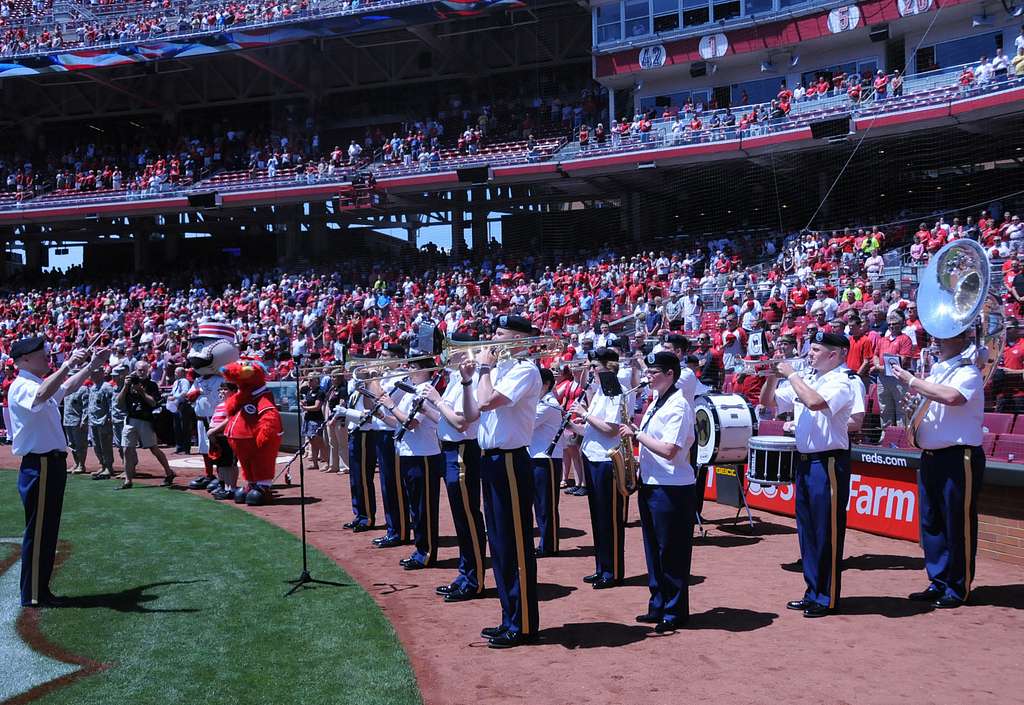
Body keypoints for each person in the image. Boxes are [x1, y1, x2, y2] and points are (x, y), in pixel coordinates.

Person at [759, 331, 861, 618]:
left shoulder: (843, 380)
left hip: (828, 462)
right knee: (807, 532)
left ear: (835, 354)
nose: (809, 354)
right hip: (806, 462)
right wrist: (771, 374)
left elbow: (815, 402)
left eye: (816, 349)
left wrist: (791, 374)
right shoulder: (811, 378)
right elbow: (769, 403)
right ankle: (812, 591)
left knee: (825, 531)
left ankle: (826, 597)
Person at [8, 336, 109, 607]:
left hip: (51, 464)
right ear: (24, 359)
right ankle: (33, 594)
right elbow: (44, 394)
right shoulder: (22, 386)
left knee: (47, 531)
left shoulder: (38, 383)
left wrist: (90, 366)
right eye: (41, 353)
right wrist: (67, 366)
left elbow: (65, 387)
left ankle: (40, 590)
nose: (47, 356)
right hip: (39, 464)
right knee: (39, 532)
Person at [891, 329, 984, 608]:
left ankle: (958, 587)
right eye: (935, 338)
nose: (936, 342)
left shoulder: (968, 372)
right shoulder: (934, 374)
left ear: (962, 341)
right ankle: (939, 580)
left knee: (957, 523)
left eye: (944, 338)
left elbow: (952, 397)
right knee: (931, 523)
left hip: (958, 456)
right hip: (931, 456)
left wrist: (912, 381)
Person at [466, 315, 543, 649]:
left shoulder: (525, 370)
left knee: (515, 544)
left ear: (519, 340)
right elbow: (472, 413)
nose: (492, 340)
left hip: (511, 461)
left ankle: (523, 623)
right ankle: (509, 616)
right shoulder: (497, 371)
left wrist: (482, 372)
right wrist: (469, 380)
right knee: (498, 543)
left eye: (500, 335)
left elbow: (487, 403)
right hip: (490, 460)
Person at [619, 351, 695, 632]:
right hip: (652, 483)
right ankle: (658, 605)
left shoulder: (678, 405)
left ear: (670, 374)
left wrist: (636, 434)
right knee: (653, 550)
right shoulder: (655, 402)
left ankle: (674, 612)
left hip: (672, 487)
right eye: (648, 372)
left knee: (672, 553)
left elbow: (669, 450)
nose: (648, 376)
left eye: (654, 372)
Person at [421, 335, 487, 602]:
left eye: (453, 350)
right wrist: (429, 410)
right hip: (451, 450)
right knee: (460, 518)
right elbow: (448, 420)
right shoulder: (454, 380)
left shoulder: (464, 381)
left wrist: (436, 401)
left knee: (468, 517)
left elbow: (461, 423)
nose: (447, 355)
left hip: (462, 452)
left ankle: (474, 579)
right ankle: (466, 573)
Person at [380, 357, 443, 571]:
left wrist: (390, 405)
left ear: (427, 370)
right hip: (411, 452)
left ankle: (426, 552)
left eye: (414, 367)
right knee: (415, 506)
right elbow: (401, 422)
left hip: (423, 454)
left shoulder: (424, 390)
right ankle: (420, 549)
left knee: (423, 507)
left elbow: (412, 422)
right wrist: (384, 410)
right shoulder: (413, 389)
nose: (409, 370)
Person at [572, 347, 626, 590]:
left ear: (608, 367)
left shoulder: (615, 392)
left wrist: (585, 414)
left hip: (606, 461)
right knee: (597, 517)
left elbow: (611, 429)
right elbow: (595, 430)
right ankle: (601, 567)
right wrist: (575, 427)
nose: (591, 370)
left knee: (609, 519)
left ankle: (612, 570)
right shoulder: (600, 393)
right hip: (592, 457)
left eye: (594, 366)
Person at [118, 360, 175, 490]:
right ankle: (128, 480)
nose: (142, 372)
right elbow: (119, 402)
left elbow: (153, 403)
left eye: (144, 370)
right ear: (135, 370)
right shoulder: (129, 383)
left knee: (153, 448)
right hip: (130, 420)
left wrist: (141, 392)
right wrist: (126, 386)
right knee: (127, 449)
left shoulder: (151, 385)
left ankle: (168, 472)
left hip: (145, 420)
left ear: (148, 370)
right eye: (139, 370)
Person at [529, 368, 569, 558]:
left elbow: (527, 422)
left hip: (547, 459)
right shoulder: (539, 402)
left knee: (546, 505)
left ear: (545, 384)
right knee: (537, 502)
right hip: (536, 456)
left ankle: (549, 544)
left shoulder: (548, 404)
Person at [86, 367, 116, 480]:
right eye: (92, 374)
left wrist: (109, 417)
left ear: (102, 374)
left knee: (106, 445)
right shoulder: (93, 387)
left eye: (95, 373)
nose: (93, 376)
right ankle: (102, 465)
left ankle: (109, 466)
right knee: (96, 445)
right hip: (93, 421)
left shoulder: (107, 387)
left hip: (103, 420)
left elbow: (111, 403)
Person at [62, 381, 89, 473]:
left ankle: (81, 465)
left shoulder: (83, 390)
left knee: (80, 444)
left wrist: (84, 420)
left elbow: (86, 407)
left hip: (77, 421)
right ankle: (76, 463)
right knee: (71, 444)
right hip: (67, 421)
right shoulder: (67, 390)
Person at [168, 366, 192, 454]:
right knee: (176, 426)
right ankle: (179, 447)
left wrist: (175, 397)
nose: (174, 373)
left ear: (181, 373)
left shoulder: (184, 381)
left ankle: (186, 448)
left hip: (183, 405)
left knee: (184, 426)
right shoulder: (175, 382)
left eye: (176, 372)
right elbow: (174, 391)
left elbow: (185, 392)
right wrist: (170, 395)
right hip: (175, 405)